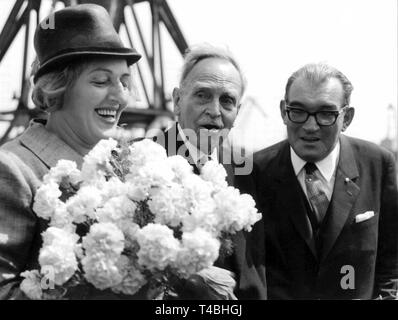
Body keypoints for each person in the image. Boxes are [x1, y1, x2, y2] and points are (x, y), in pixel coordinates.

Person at [0, 4, 141, 299]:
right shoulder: (12, 170)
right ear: (57, 88)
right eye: (101, 81)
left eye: (124, 82)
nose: (119, 96)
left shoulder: (126, 169)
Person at [236, 63, 398, 299]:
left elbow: (392, 259)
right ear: (283, 111)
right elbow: (248, 271)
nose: (310, 126)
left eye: (325, 114)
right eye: (298, 111)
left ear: (347, 118)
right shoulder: (253, 172)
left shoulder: (378, 164)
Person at [153, 44, 266, 299]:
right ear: (178, 100)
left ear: (237, 110)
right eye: (203, 95)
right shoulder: (138, 163)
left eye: (227, 100)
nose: (215, 111)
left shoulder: (248, 172)